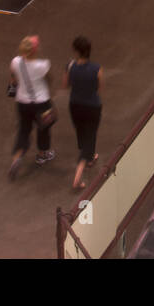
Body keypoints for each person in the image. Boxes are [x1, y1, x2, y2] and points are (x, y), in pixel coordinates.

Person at [8, 35, 55, 178]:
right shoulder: (42, 65)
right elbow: (49, 79)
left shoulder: (15, 61)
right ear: (35, 50)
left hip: (22, 103)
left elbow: (13, 79)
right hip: (42, 104)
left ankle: (17, 157)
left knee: (24, 130)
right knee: (44, 128)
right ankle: (42, 154)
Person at [64, 36, 103, 191]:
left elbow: (65, 84)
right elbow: (99, 88)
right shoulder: (97, 69)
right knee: (90, 134)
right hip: (92, 106)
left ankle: (90, 156)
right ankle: (78, 175)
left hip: (75, 105)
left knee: (81, 130)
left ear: (75, 51)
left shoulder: (70, 66)